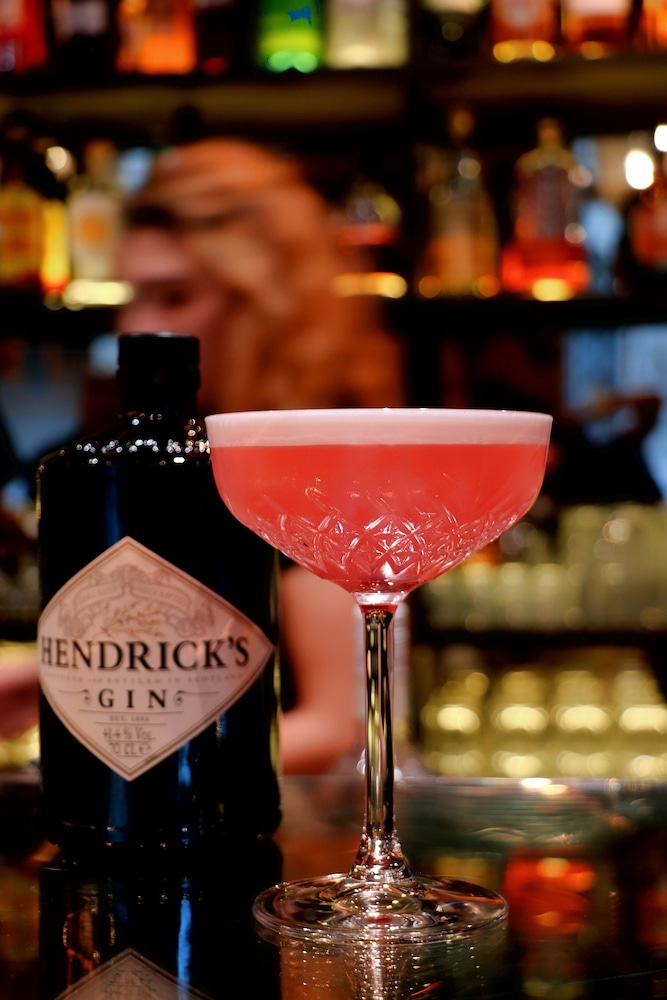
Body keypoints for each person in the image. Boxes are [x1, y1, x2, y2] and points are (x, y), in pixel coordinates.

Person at [112, 137, 406, 774]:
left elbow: (336, 723)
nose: (134, 328)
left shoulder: (318, 454)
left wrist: (135, 766)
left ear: (258, 305)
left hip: (303, 815)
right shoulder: (190, 452)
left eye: (173, 296)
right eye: (129, 296)